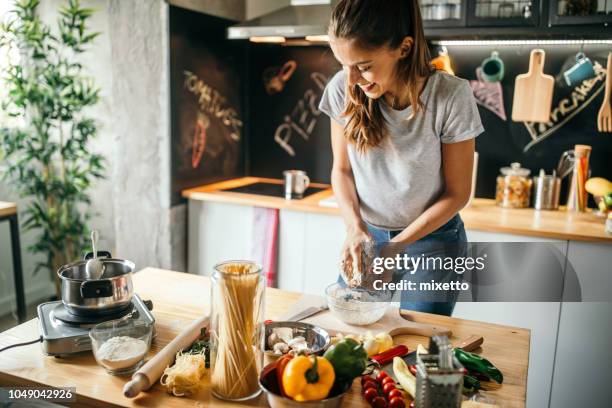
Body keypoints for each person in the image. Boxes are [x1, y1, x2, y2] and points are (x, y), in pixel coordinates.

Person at [318, 0, 484, 316]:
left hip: (434, 241)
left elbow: (458, 194)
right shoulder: (342, 88)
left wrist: (396, 247)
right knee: (351, 333)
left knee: (420, 345)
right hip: (368, 235)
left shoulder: (450, 97)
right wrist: (355, 227)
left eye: (363, 66)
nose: (351, 79)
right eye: (343, 65)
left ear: (404, 48)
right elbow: (341, 170)